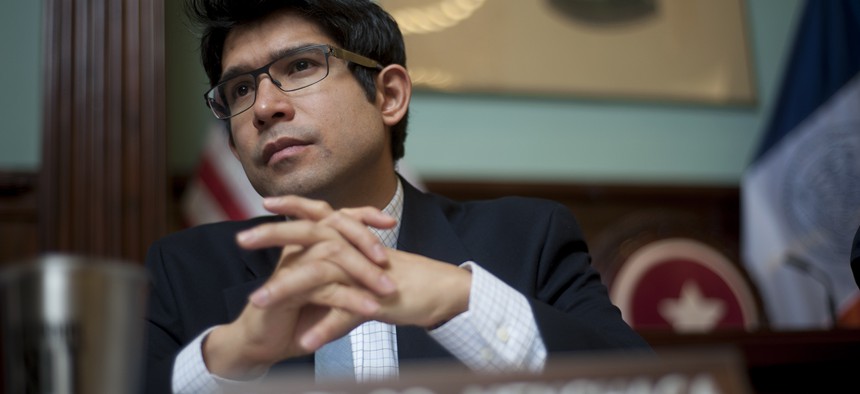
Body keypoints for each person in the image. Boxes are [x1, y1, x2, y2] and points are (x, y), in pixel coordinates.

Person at [143, 0, 651, 393]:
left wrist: (460, 300)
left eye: (299, 67)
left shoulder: (528, 240)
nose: (264, 107)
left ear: (388, 96)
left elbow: (649, 385)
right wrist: (229, 357)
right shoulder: (183, 270)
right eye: (239, 90)